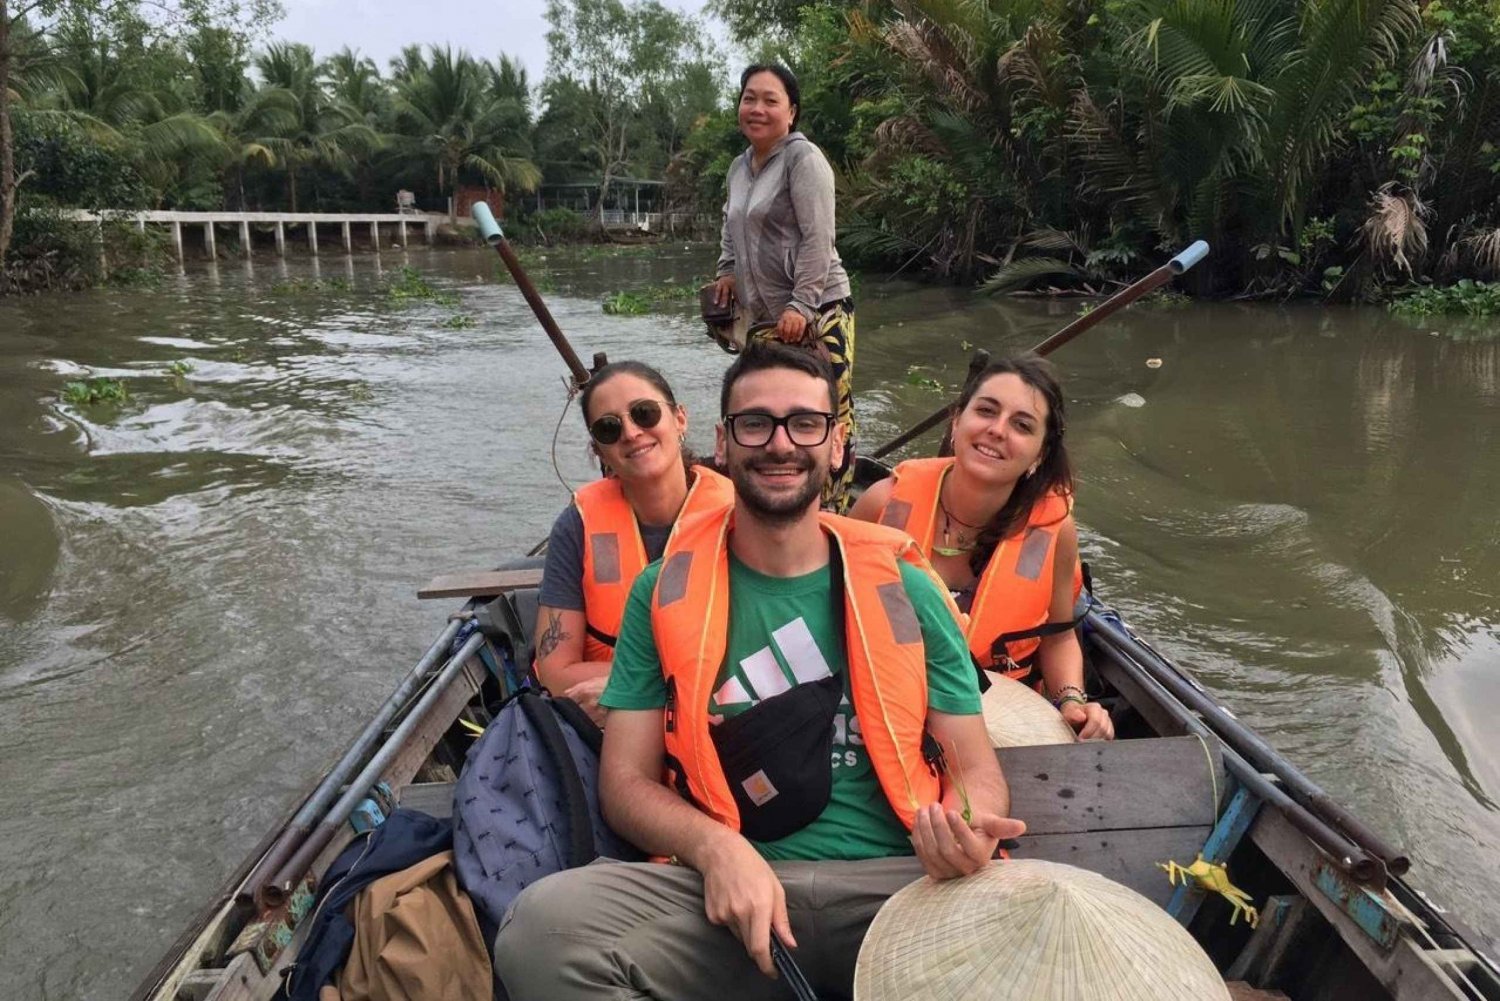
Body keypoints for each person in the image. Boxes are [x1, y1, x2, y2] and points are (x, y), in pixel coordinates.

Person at [493, 341, 1026, 1000]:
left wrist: (966, 828)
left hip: (902, 885)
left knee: (1053, 926)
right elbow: (625, 784)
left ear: (837, 445)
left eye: (805, 423)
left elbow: (976, 769)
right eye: (756, 423)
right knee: (540, 933)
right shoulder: (660, 594)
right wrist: (716, 849)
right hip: (725, 897)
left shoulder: (908, 591)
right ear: (721, 441)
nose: (780, 444)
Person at [850, 356, 1115, 740]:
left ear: (1039, 454)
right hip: (884, 704)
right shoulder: (884, 504)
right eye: (986, 411)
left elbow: (1057, 637)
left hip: (1000, 719)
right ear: (957, 421)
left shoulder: (1053, 532)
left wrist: (1072, 701)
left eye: (1021, 425)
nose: (997, 430)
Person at [534, 361, 732, 725]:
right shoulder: (577, 525)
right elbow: (556, 672)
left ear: (680, 419)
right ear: (599, 451)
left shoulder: (737, 515)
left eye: (645, 413)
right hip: (608, 727)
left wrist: (638, 688)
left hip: (714, 719)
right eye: (609, 428)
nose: (631, 432)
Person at [712, 63, 858, 513]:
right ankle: (765, 505)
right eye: (748, 98)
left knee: (824, 414)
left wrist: (802, 304)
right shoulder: (740, 167)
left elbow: (819, 238)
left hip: (819, 310)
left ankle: (832, 511)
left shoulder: (804, 159)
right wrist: (726, 270)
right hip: (764, 316)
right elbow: (730, 225)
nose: (756, 108)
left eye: (770, 100)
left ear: (791, 112)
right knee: (760, 409)